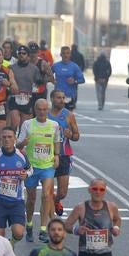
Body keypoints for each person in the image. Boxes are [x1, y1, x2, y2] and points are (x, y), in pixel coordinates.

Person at [17, 98, 60, 243]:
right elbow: (18, 145)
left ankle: (43, 229)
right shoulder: (27, 124)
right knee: (31, 199)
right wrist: (24, 143)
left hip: (47, 166)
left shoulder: (54, 125)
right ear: (35, 110)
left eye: (44, 109)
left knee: (47, 195)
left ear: (48, 110)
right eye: (39, 109)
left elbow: (56, 141)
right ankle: (29, 224)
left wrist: (56, 156)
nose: (42, 112)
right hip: (31, 166)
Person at [0, 127, 30, 242]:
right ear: (1, 138)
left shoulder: (21, 155)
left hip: (17, 201)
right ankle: (2, 255)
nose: (7, 139)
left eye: (9, 137)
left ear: (15, 138)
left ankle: (11, 244)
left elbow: (30, 170)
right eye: (4, 137)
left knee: (19, 233)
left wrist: (26, 175)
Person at [48, 89, 80, 217]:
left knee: (62, 193)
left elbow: (77, 136)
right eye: (58, 98)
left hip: (64, 155)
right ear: (52, 99)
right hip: (47, 157)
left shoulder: (69, 115)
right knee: (48, 192)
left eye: (63, 98)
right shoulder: (45, 114)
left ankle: (56, 201)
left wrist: (70, 135)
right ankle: (49, 221)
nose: (61, 100)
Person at [8, 45, 44, 134]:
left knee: (23, 126)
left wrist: (41, 80)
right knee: (14, 123)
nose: (21, 55)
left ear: (28, 55)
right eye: (19, 53)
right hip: (14, 98)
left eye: (24, 53)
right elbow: (9, 81)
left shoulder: (34, 69)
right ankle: (12, 144)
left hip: (28, 98)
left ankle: (21, 146)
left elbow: (39, 82)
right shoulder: (12, 67)